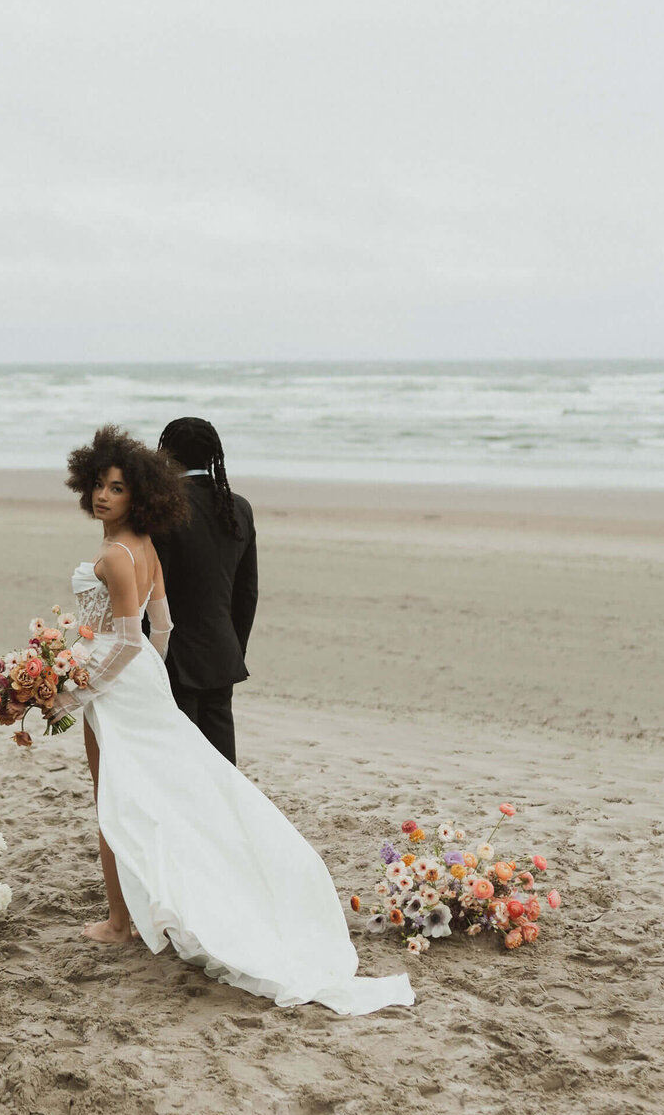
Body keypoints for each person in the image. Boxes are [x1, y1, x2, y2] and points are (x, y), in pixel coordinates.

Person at [61, 424, 413, 1018]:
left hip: (144, 678)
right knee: (212, 790)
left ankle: (144, 913)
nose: (104, 495)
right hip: (217, 661)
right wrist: (226, 652)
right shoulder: (237, 508)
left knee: (143, 796)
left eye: (116, 485)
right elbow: (242, 592)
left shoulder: (142, 533)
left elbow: (136, 623)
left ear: (160, 464)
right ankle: (221, 890)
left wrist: (108, 680)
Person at [153, 417, 256, 765]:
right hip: (221, 650)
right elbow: (247, 592)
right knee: (222, 762)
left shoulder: (163, 508)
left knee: (179, 758)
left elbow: (155, 589)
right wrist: (233, 646)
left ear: (167, 455)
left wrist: (150, 654)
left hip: (174, 656)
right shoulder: (238, 507)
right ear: (213, 455)